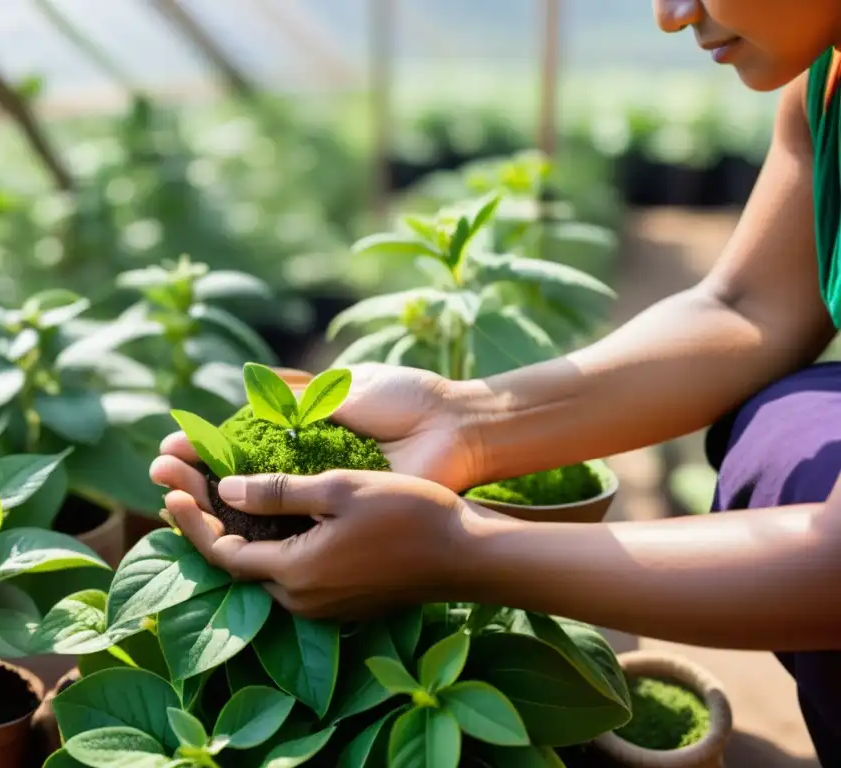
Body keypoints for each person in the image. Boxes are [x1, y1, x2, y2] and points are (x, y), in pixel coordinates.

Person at [151, 1, 841, 763]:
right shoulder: (827, 74)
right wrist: (463, 423)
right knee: (790, 431)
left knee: (787, 446)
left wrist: (458, 549)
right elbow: (751, 308)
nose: (672, 15)